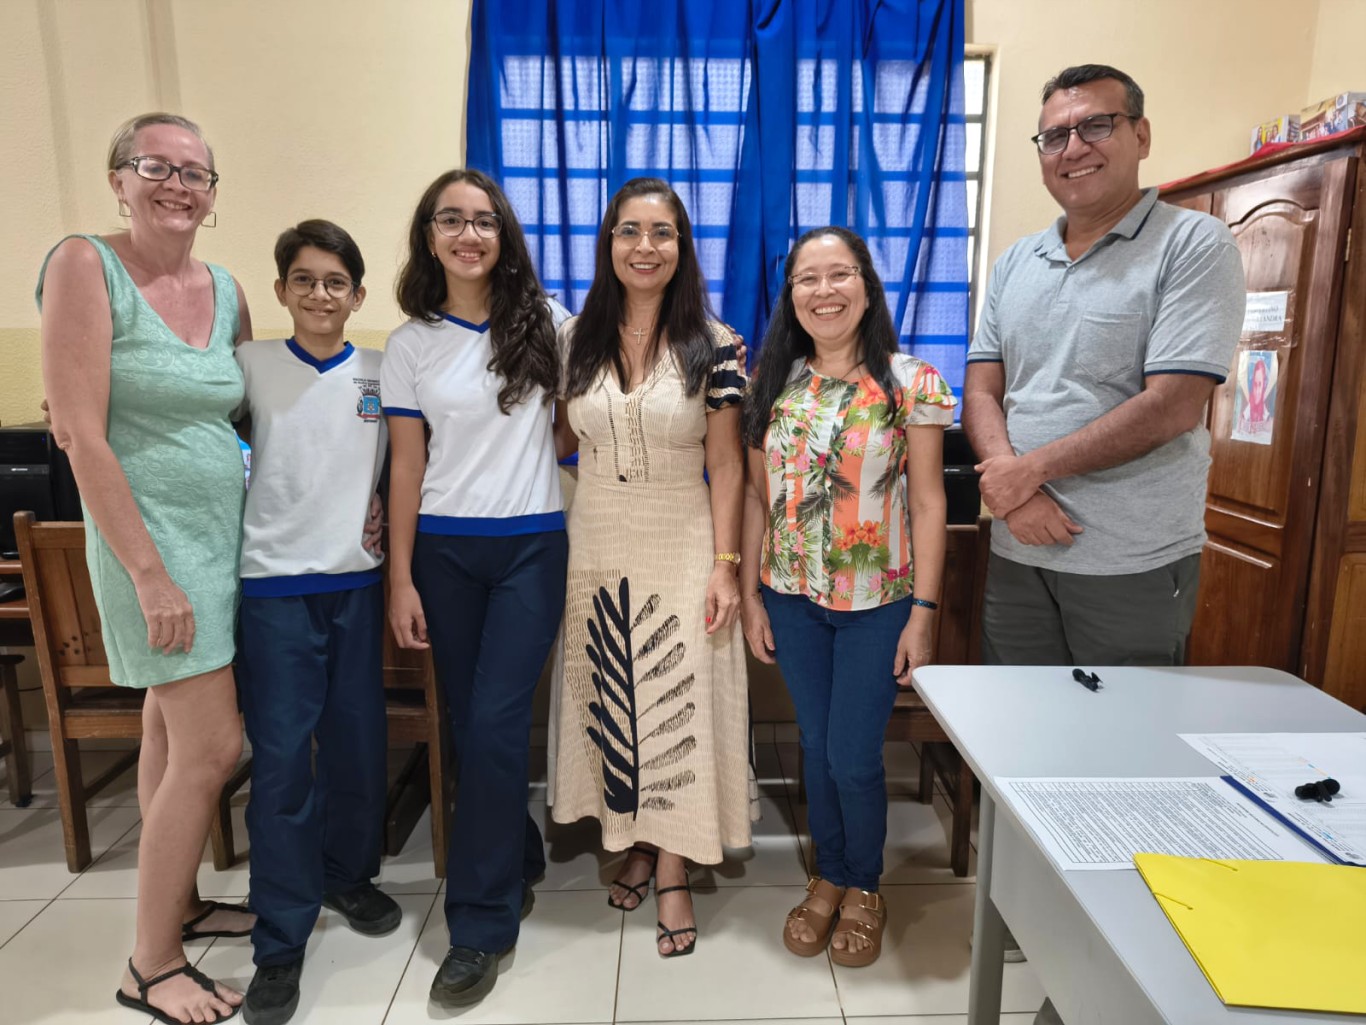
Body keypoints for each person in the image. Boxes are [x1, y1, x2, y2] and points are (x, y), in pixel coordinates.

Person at [960, 64, 1245, 1024]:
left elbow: (1173, 403)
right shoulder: (1016, 261)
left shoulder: (1193, 245)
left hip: (1129, 561)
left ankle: (1121, 971)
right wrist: (1008, 480)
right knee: (1027, 758)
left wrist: (1028, 476)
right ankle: (1036, 934)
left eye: (1095, 126)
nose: (1073, 147)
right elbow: (984, 387)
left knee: (1126, 771)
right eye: (1054, 135)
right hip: (1021, 559)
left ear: (1140, 136)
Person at [38, 112, 253, 1024]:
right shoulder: (85, 263)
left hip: (221, 544)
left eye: (196, 173)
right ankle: (151, 964)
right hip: (151, 551)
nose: (178, 184)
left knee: (168, 739)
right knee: (215, 748)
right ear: (118, 179)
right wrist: (148, 573)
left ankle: (182, 901)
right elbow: (78, 431)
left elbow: (238, 420)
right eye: (154, 166)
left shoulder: (228, 286)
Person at [739, 226, 955, 968]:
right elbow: (755, 498)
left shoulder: (911, 382)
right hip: (791, 597)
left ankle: (864, 883)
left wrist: (923, 613)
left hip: (877, 602)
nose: (824, 291)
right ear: (790, 293)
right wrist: (750, 594)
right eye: (808, 278)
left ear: (866, 285)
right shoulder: (774, 381)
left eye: (840, 275)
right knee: (813, 743)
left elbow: (928, 504)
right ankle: (828, 873)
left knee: (854, 754)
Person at [548, 177, 752, 958]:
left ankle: (672, 866)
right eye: (629, 231)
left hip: (682, 532)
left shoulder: (718, 341)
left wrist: (727, 563)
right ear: (609, 244)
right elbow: (556, 443)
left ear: (681, 246)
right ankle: (630, 833)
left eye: (661, 232)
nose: (644, 246)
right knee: (610, 687)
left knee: (676, 691)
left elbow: (728, 465)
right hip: (596, 532)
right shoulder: (575, 341)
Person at [382, 168, 569, 1008]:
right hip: (445, 557)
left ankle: (480, 923)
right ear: (430, 236)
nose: (469, 234)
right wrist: (399, 581)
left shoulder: (551, 325)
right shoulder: (410, 343)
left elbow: (586, 420)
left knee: (495, 723)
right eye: (451, 220)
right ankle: (518, 856)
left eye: (484, 221)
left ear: (505, 235)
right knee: (468, 727)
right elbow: (407, 467)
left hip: (532, 546)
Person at [233, 220, 400, 1025]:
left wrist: (382, 514)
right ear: (282, 291)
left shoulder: (379, 370)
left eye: (336, 282)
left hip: (355, 583)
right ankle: (281, 937)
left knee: (359, 743)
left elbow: (411, 462)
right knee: (282, 767)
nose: (321, 294)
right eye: (305, 280)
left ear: (358, 295)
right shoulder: (248, 367)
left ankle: (346, 871)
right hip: (271, 589)